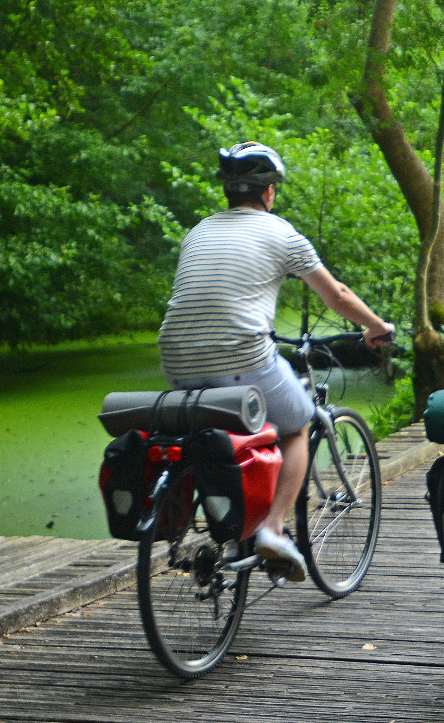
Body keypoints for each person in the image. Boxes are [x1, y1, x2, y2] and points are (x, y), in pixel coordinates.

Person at [158, 142, 396, 581]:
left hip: (175, 358)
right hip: (241, 355)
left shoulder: (198, 231)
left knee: (228, 430)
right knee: (296, 426)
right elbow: (336, 294)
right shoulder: (281, 233)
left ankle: (228, 519)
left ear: (228, 191)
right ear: (269, 192)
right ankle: (272, 528)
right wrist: (376, 326)